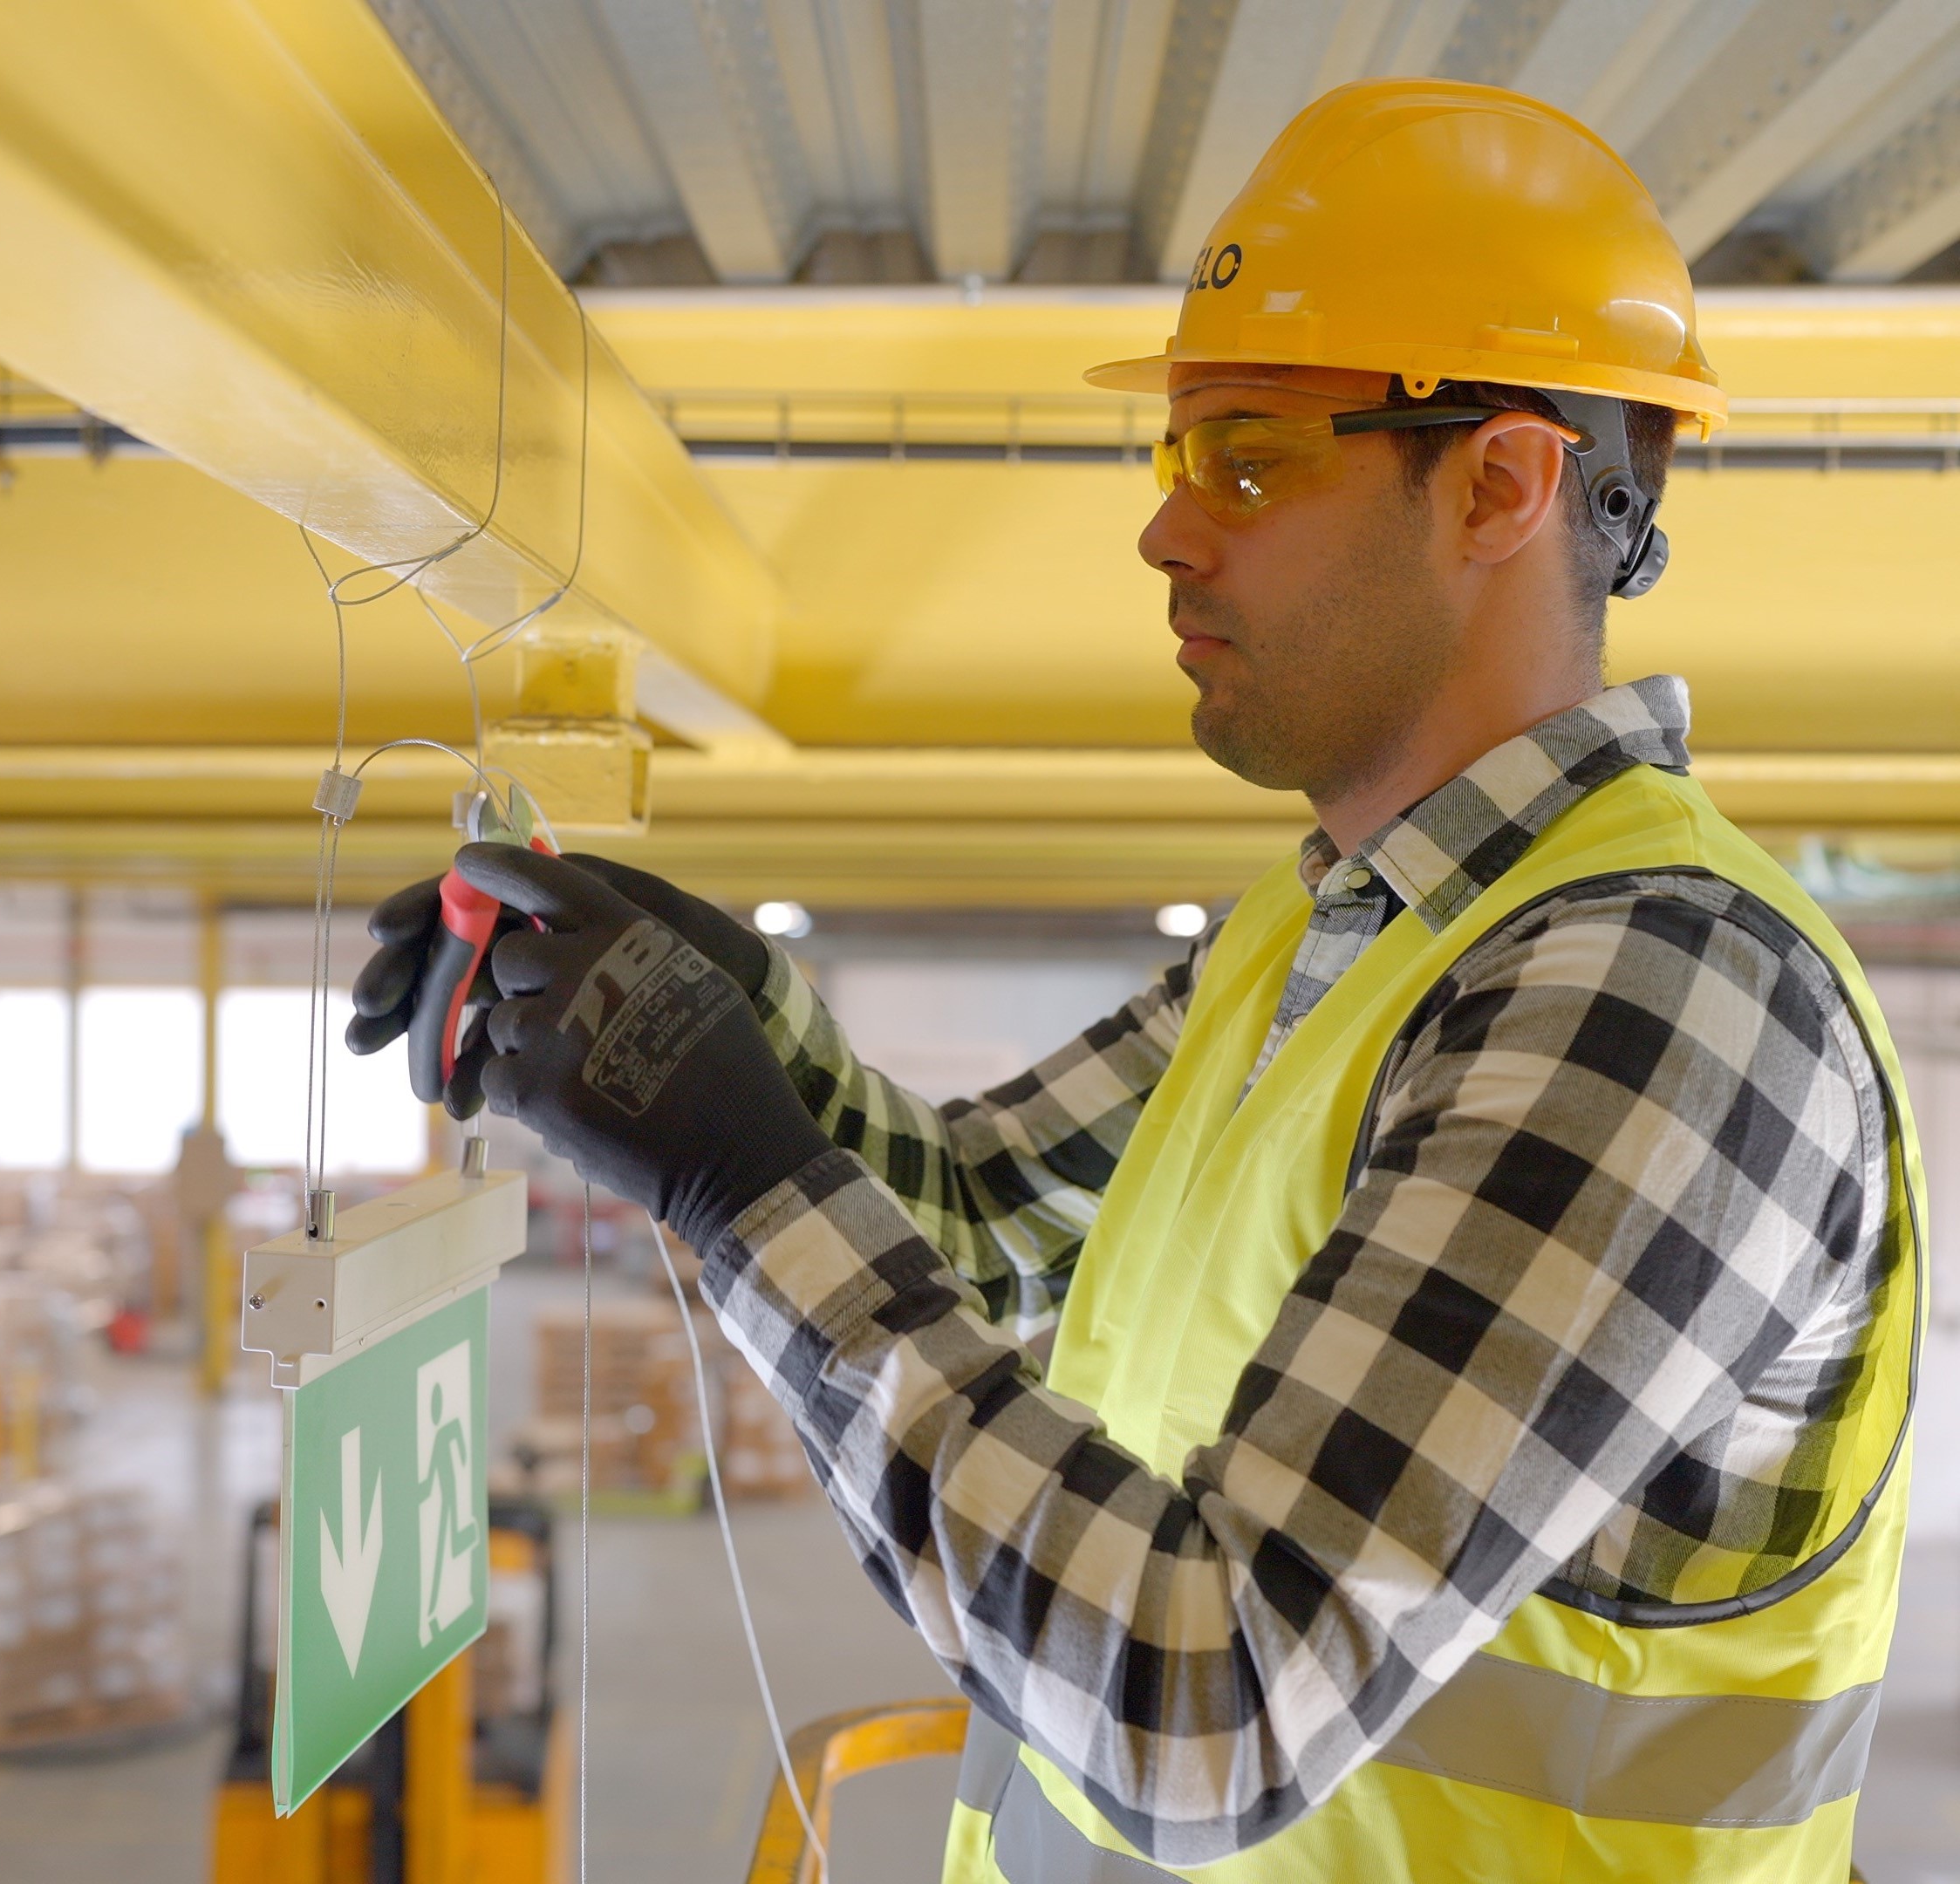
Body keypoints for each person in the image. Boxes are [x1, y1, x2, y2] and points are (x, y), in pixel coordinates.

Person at [351, 79, 1922, 1882]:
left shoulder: (1658, 1004)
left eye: (1246, 455)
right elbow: (967, 1223)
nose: (1167, 533)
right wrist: (720, 1020)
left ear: (1498, 482)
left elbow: (1207, 1706)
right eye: (1175, 459)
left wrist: (736, 1175)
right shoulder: (1337, 927)